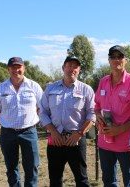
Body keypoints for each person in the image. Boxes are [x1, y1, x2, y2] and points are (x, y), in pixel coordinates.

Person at [39, 56, 95, 187]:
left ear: (79, 70)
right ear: (63, 68)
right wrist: (53, 132)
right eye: (69, 65)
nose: (72, 69)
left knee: (81, 179)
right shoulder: (50, 89)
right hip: (55, 140)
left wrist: (80, 133)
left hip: (75, 140)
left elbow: (92, 115)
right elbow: (43, 112)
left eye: (75, 66)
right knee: (55, 179)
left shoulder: (86, 90)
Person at [95, 45, 130, 187]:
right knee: (108, 181)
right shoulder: (103, 81)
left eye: (120, 57)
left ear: (126, 60)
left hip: (126, 145)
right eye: (113, 57)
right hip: (104, 143)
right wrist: (98, 115)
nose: (116, 60)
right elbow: (97, 105)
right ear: (109, 60)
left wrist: (121, 129)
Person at [0, 57, 43, 187]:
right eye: (13, 67)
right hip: (8, 133)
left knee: (32, 167)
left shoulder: (34, 86)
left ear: (24, 68)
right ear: (8, 69)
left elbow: (42, 107)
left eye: (19, 67)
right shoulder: (0, 88)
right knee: (11, 167)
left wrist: (31, 120)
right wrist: (7, 121)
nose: (16, 70)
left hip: (29, 132)